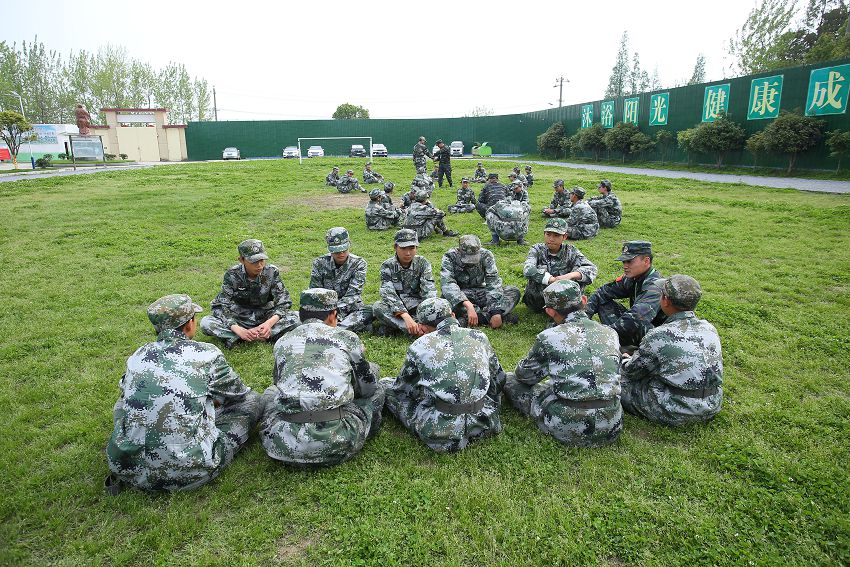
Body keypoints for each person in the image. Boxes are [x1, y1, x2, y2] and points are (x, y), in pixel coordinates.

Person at [105, 294, 262, 493]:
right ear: (189, 324)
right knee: (253, 401)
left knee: (123, 401)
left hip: (128, 469)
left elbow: (126, 389)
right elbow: (238, 393)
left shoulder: (138, 355)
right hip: (190, 470)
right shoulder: (207, 354)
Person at [259, 289, 385, 467]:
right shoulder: (347, 337)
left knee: (271, 393)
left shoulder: (283, 341)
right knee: (378, 388)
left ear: (301, 315)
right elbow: (367, 389)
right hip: (337, 443)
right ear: (333, 314)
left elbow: (277, 382)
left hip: (281, 444)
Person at [504, 280, 623, 448]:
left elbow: (524, 376)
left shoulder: (549, 337)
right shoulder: (611, 333)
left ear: (550, 311)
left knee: (509, 380)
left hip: (567, 425)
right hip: (612, 422)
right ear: (583, 300)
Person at [381, 297, 506, 453]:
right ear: (453, 315)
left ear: (422, 327)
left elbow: (403, 389)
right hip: (485, 422)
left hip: (441, 431)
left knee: (386, 385)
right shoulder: (480, 337)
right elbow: (499, 379)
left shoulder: (420, 346)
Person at [620, 275, 723, 426]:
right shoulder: (710, 328)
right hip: (712, 404)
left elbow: (632, 372)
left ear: (666, 300)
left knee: (616, 380)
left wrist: (624, 359)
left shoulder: (659, 335)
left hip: (675, 410)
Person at [201, 239, 300, 348]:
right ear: (241, 260)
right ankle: (258, 336)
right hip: (240, 316)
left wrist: (268, 324)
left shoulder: (271, 272)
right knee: (206, 323)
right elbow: (220, 305)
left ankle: (245, 337)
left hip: (266, 315)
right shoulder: (232, 274)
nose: (259, 265)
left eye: (262, 260)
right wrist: (236, 328)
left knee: (299, 317)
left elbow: (284, 302)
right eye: (254, 261)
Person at [585, 240, 667, 350]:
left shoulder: (655, 286)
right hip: (638, 326)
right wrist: (584, 318)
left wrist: (603, 335)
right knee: (603, 303)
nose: (625, 266)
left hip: (657, 337)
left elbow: (636, 318)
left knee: (632, 321)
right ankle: (623, 345)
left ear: (646, 261)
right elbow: (602, 292)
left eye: (629, 261)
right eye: (624, 262)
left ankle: (630, 349)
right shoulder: (633, 278)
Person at [440, 235, 521, 328]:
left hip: (481, 293)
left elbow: (493, 282)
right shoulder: (449, 257)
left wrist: (496, 312)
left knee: (513, 291)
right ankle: (492, 316)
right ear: (459, 251)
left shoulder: (486, 255)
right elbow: (448, 284)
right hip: (461, 296)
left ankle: (478, 318)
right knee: (445, 303)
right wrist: (467, 304)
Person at [522, 218, 598, 313]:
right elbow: (528, 269)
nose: (551, 239)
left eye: (556, 235)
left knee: (579, 274)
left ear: (565, 237)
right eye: (548, 234)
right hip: (538, 300)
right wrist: (552, 280)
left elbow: (592, 268)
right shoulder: (537, 249)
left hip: (564, 302)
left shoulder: (571, 251)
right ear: (544, 234)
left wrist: (570, 276)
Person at [371, 229, 437, 337]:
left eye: (412, 248)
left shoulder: (423, 263)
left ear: (417, 248)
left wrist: (427, 312)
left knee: (439, 306)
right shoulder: (387, 266)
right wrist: (405, 316)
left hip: (418, 306)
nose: (408, 253)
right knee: (378, 307)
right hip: (397, 308)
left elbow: (429, 290)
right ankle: (416, 330)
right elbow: (388, 293)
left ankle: (397, 328)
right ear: (395, 247)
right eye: (403, 248)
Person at [309, 227, 374, 332]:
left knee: (369, 311)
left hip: (350, 307)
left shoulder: (359, 264)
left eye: (344, 249)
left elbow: (353, 295)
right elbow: (314, 292)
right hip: (325, 310)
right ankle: (343, 328)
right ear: (330, 249)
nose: (341, 254)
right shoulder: (319, 263)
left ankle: (332, 329)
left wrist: (334, 314)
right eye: (337, 251)